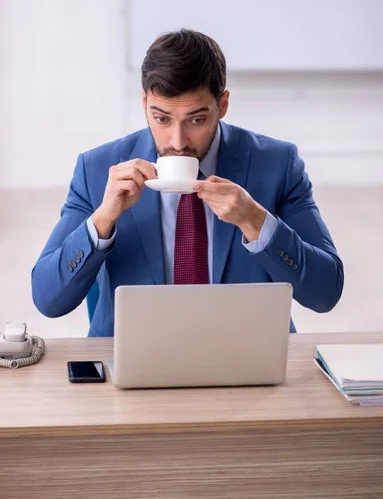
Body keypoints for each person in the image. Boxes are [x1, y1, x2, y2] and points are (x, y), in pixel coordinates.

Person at [32, 29, 344, 336]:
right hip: (134, 359)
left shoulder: (278, 164)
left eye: (196, 120)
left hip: (249, 357)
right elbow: (48, 300)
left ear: (222, 105)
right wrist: (102, 220)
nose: (177, 141)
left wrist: (256, 221)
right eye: (162, 119)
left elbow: (324, 293)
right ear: (145, 103)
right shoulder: (97, 169)